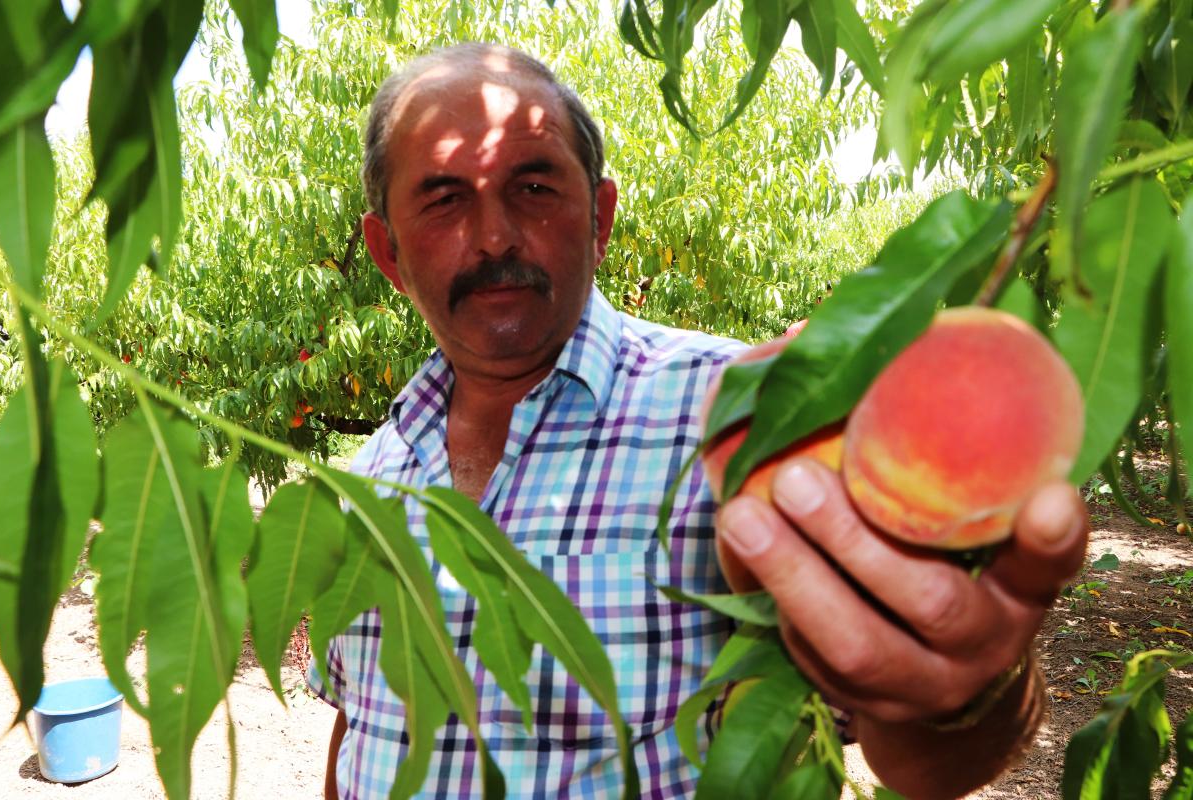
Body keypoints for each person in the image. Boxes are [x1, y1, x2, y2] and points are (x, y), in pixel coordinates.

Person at [309, 42, 1089, 800]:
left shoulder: (741, 415)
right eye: (444, 199)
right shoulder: (356, 484)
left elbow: (922, 756)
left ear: (601, 216)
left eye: (535, 188)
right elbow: (362, 729)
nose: (494, 236)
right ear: (387, 252)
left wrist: (966, 692)